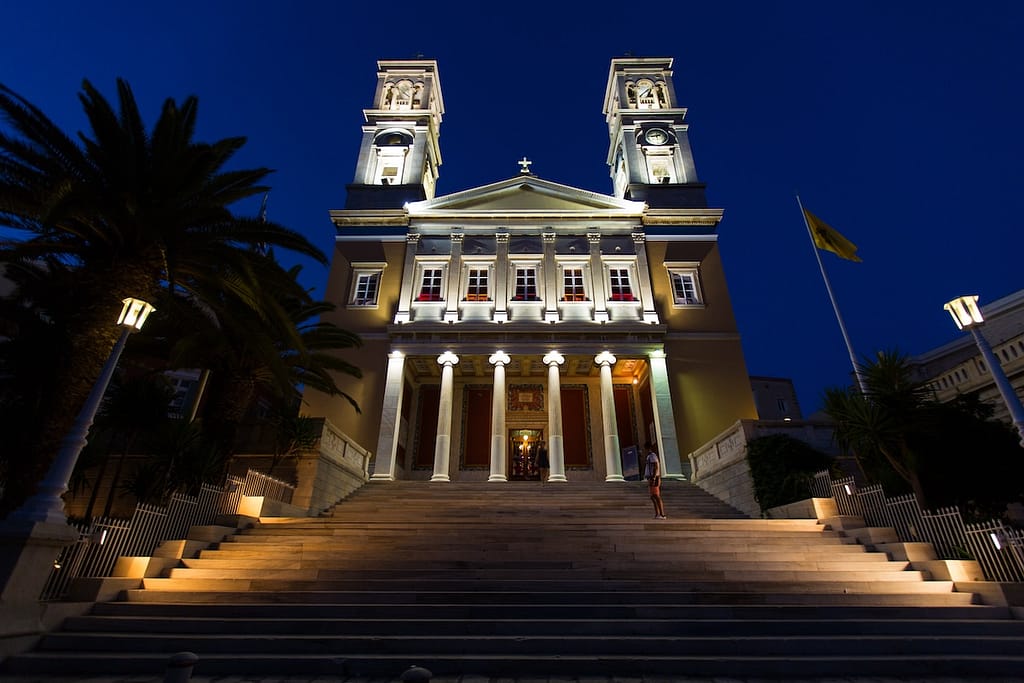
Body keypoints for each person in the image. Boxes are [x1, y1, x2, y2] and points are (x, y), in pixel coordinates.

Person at [645, 442, 666, 519]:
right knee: (652, 496)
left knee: (656, 496)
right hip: (651, 478)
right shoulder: (649, 456)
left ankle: (662, 514)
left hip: (653, 478)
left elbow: (656, 466)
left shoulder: (652, 456)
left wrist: (654, 478)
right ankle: (657, 514)